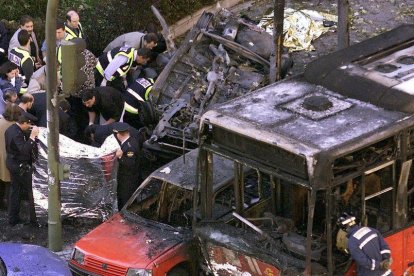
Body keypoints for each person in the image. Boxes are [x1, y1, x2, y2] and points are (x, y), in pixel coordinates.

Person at [5, 112, 39, 226]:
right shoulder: (17, 134)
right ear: (24, 123)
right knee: (31, 190)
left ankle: (13, 218)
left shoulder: (11, 129)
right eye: (28, 125)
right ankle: (34, 220)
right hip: (19, 166)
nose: (29, 128)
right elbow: (24, 150)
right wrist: (32, 137)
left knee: (15, 190)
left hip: (12, 163)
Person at [113, 122, 141, 210]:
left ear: (119, 134)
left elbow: (130, 163)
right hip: (124, 176)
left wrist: (120, 157)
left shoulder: (130, 146)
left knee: (125, 198)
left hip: (128, 178)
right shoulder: (129, 141)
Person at [0, 103, 21, 209]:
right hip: (11, 156)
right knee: (11, 183)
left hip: (1, 154)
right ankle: (9, 205)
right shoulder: (17, 126)